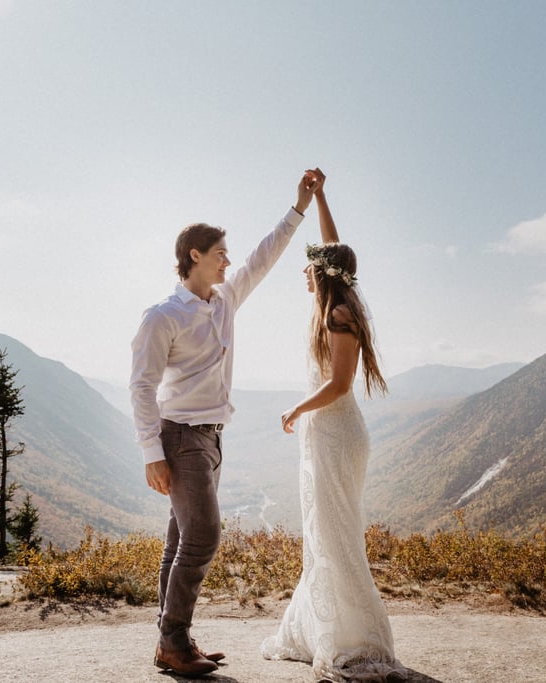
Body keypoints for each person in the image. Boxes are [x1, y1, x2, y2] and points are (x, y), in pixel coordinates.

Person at [129, 170, 320, 677]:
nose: (229, 261)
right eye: (220, 253)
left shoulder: (226, 300)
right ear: (195, 255)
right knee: (204, 538)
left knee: (179, 541)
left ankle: (174, 640)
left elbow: (264, 254)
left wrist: (298, 208)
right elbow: (142, 386)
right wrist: (152, 452)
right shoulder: (163, 316)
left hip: (212, 439)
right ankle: (172, 642)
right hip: (180, 437)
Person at [261, 170, 407, 682]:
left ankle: (353, 637)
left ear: (322, 273)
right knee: (325, 533)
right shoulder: (337, 300)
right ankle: (326, 626)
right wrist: (320, 196)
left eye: (310, 267)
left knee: (336, 534)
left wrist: (296, 409)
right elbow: (332, 247)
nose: (304, 273)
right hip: (329, 437)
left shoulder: (337, 316)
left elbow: (341, 384)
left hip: (335, 433)